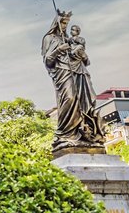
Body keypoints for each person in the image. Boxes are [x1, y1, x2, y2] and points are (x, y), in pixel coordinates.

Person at [41, 11, 104, 151]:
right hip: (62, 73)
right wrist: (58, 50)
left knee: (82, 101)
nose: (65, 26)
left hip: (76, 72)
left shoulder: (68, 38)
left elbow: (83, 58)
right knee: (69, 99)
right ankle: (65, 134)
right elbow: (48, 61)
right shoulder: (49, 38)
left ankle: (83, 132)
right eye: (63, 23)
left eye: (67, 23)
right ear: (56, 23)